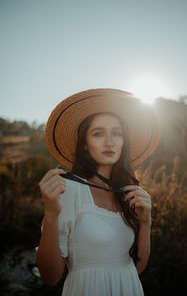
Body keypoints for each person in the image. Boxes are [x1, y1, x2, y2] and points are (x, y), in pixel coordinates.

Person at [36, 88, 160, 296]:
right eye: (98, 133)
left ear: (123, 142)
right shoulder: (70, 189)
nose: (109, 141)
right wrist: (51, 215)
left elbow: (135, 268)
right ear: (84, 144)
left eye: (117, 133)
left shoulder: (129, 194)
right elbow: (50, 277)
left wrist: (146, 222)